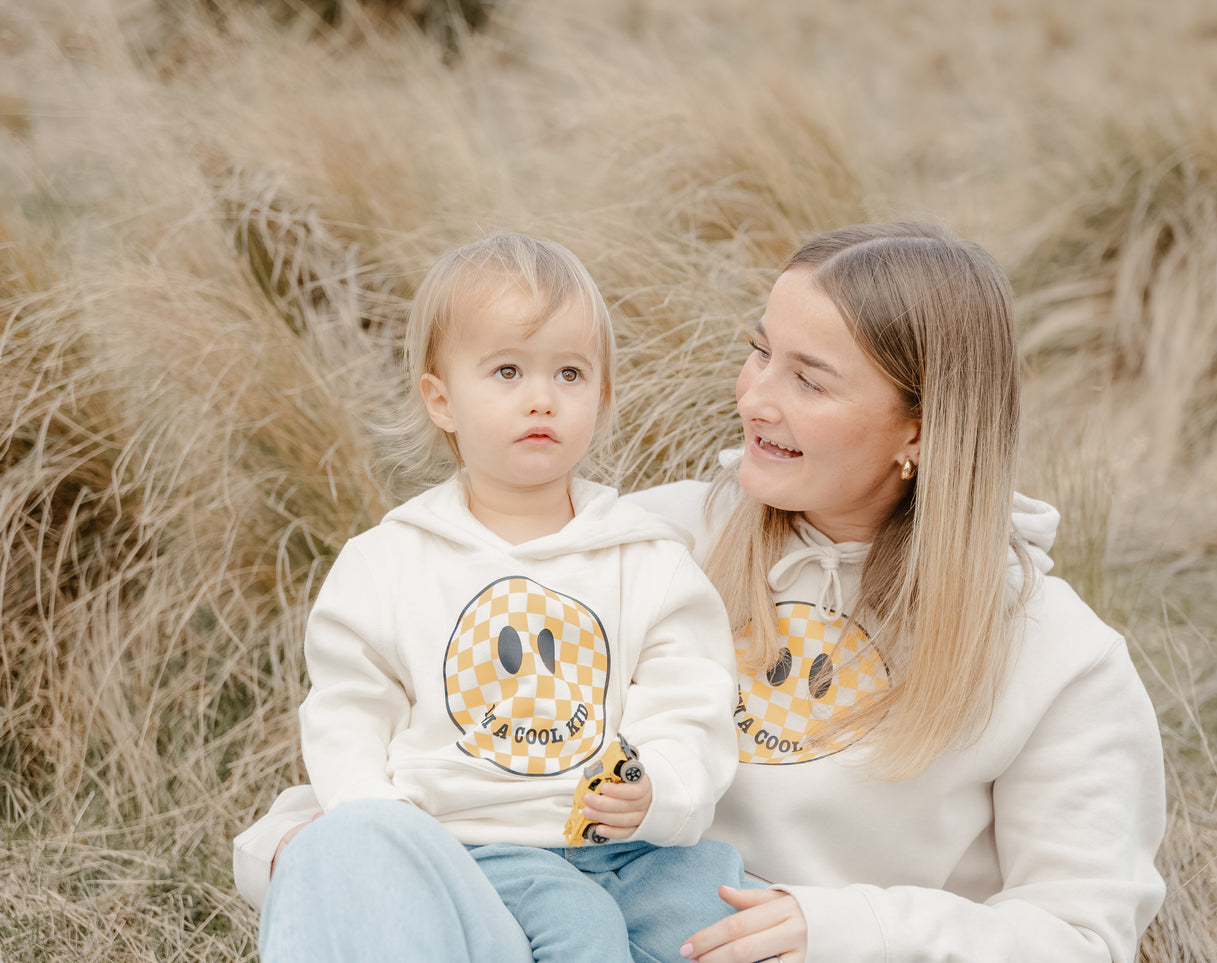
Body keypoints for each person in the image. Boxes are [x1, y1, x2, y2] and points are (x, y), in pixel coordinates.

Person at [235, 223, 1167, 963]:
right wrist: (301, 844)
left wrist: (839, 928)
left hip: (746, 945)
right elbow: (438, 745)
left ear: (917, 428)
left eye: (807, 379)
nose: (754, 397)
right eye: (758, 352)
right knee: (343, 855)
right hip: (556, 920)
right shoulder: (646, 538)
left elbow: (1081, 935)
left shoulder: (1057, 658)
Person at [263, 232, 745, 963]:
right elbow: (348, 709)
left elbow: (690, 697)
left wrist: (658, 784)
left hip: (619, 841)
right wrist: (380, 820)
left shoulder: (644, 558)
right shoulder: (389, 562)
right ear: (441, 399)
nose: (542, 397)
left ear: (602, 395)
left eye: (571, 373)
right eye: (508, 371)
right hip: (473, 841)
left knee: (713, 892)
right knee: (577, 926)